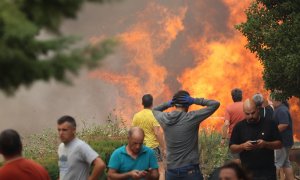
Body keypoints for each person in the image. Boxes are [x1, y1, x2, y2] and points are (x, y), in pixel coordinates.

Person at [152, 90, 220, 180]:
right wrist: (195, 100)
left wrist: (168, 104)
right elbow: (215, 104)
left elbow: (154, 110)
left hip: (172, 172)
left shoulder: (165, 118)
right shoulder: (191, 117)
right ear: (188, 104)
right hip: (190, 172)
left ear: (175, 104)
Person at [229, 98, 282, 180]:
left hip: (267, 172)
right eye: (247, 114)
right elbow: (232, 148)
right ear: (244, 113)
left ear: (258, 110)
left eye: (253, 113)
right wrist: (242, 146)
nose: (251, 116)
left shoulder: (270, 123)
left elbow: (279, 144)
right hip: (247, 173)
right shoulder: (239, 127)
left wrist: (265, 144)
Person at [57, 115, 106, 180]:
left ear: (74, 130)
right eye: (59, 130)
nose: (61, 133)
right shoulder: (61, 147)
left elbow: (100, 164)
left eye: (64, 130)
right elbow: (64, 171)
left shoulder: (80, 146)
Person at [132, 94, 166, 180]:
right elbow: (157, 132)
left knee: (143, 172)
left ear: (142, 103)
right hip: (153, 148)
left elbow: (133, 132)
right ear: (152, 103)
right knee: (161, 171)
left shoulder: (136, 116)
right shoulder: (153, 115)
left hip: (141, 148)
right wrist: (164, 147)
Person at [271, 96, 294, 180]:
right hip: (285, 142)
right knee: (286, 163)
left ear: (277, 99)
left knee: (277, 164)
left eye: (272, 99)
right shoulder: (281, 109)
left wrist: (272, 132)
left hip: (282, 142)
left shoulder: (281, 110)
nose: (271, 101)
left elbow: (284, 124)